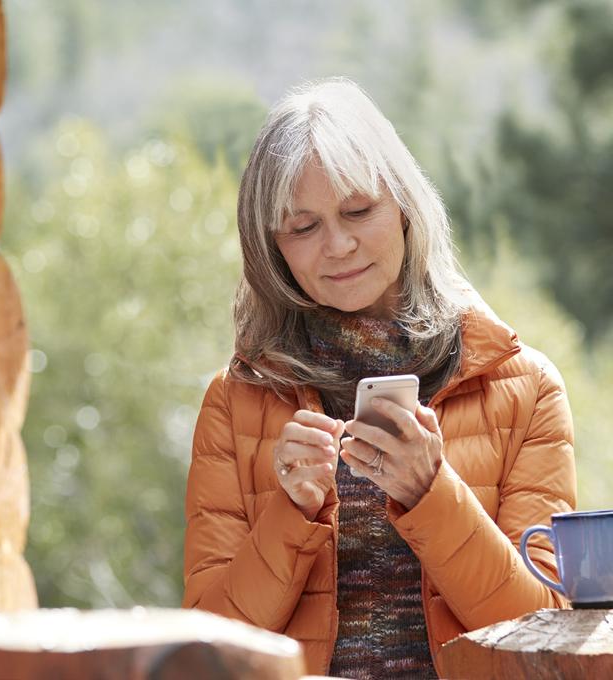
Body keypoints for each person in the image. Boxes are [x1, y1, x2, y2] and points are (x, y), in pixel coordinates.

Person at [181, 78, 576, 679]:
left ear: (405, 208)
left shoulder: (525, 389)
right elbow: (209, 649)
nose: (337, 245)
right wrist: (291, 514)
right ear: (271, 248)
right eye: (303, 227)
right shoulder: (236, 404)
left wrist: (431, 492)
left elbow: (542, 634)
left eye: (358, 211)